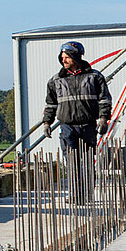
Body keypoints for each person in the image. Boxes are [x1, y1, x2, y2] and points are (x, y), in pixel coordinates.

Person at [42, 41, 112, 202]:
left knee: (87, 162)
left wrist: (103, 119)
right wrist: (47, 123)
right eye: (62, 57)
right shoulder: (56, 81)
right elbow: (51, 104)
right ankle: (74, 194)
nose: (63, 60)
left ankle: (86, 195)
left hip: (88, 126)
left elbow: (104, 100)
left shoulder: (94, 77)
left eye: (67, 57)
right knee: (72, 162)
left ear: (76, 57)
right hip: (67, 127)